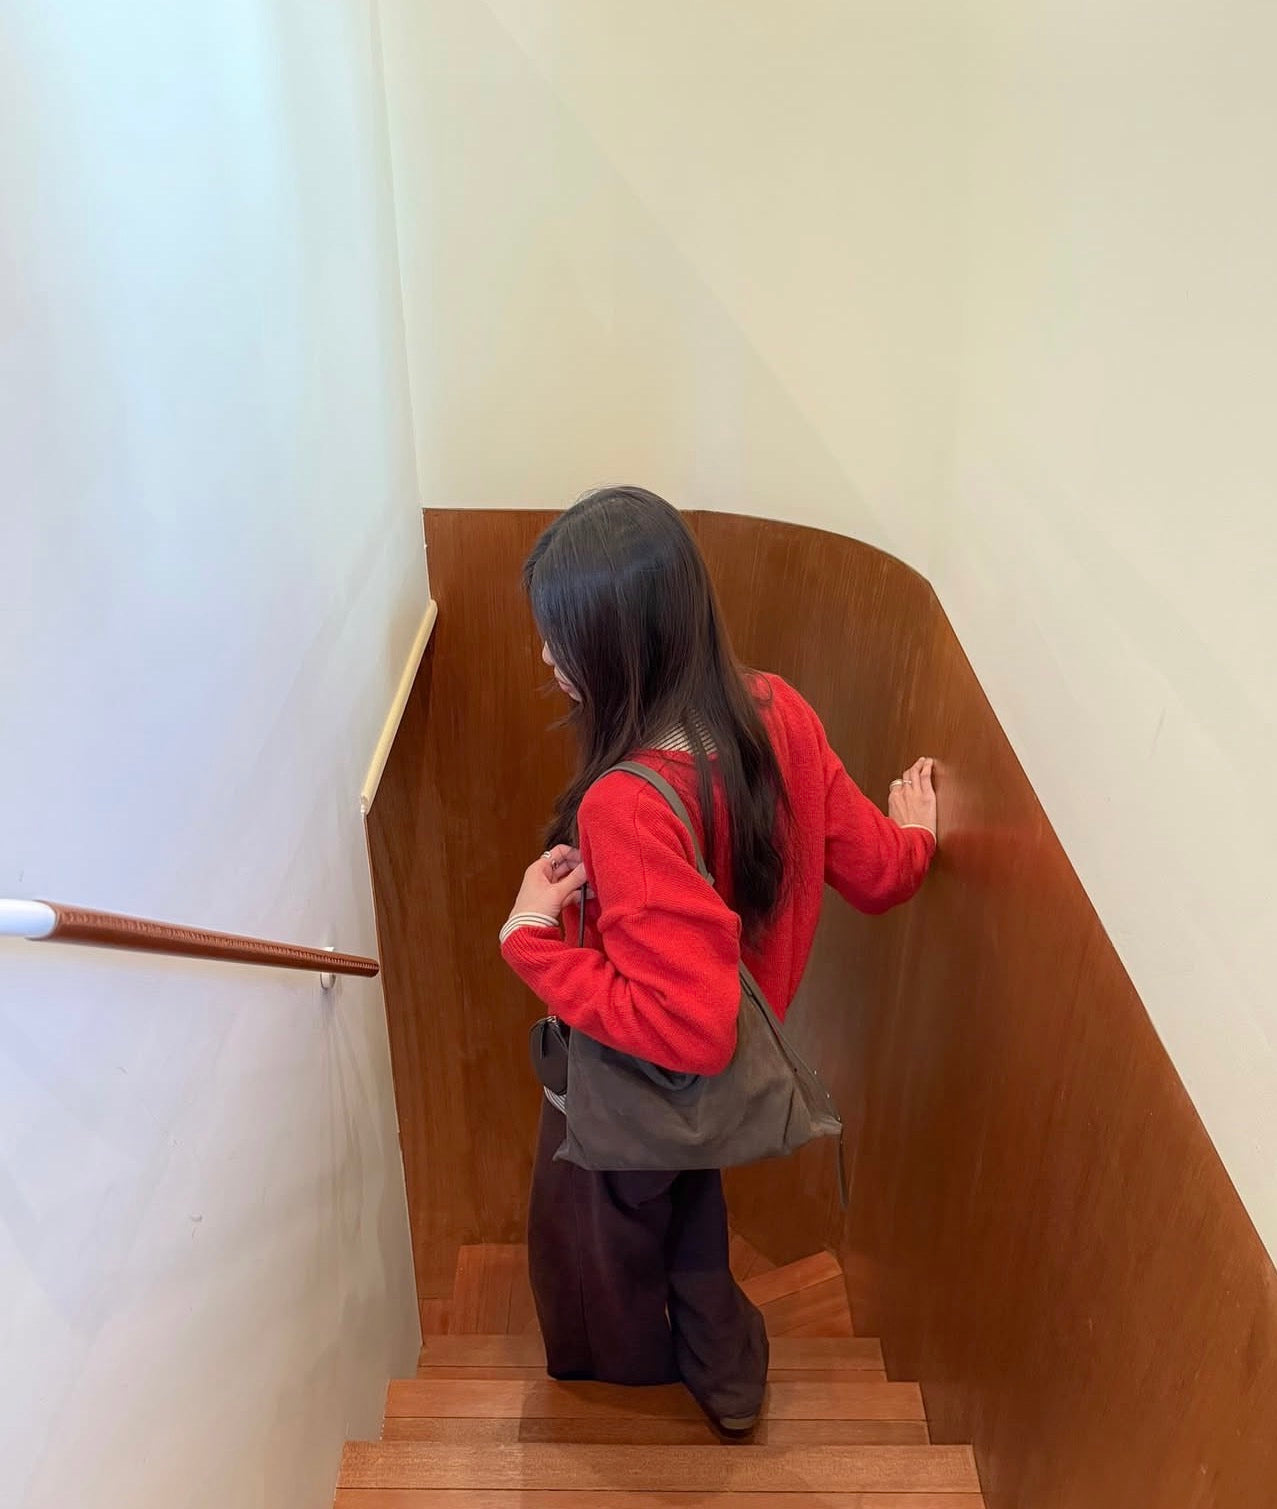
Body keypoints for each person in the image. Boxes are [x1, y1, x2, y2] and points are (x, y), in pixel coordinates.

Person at [499, 486, 937, 1435]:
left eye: (559, 639)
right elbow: (877, 873)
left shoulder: (627, 802)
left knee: (597, 1246)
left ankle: (625, 1396)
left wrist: (531, 940)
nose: (545, 658)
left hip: (647, 1077)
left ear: (620, 646)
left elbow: (687, 1029)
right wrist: (916, 839)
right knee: (691, 1208)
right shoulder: (777, 709)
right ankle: (730, 1380)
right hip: (720, 1087)